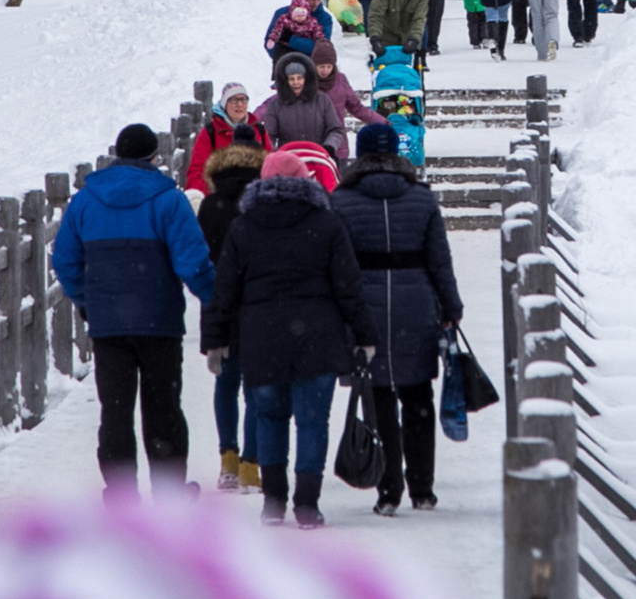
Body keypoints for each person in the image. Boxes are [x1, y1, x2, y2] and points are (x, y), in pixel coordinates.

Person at [201, 151, 378, 528]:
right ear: (306, 180)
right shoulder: (326, 223)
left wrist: (216, 340)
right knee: (313, 421)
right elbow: (349, 286)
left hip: (262, 336)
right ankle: (307, 504)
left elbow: (226, 290)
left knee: (269, 416)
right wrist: (365, 335)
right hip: (318, 334)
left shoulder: (244, 226)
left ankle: (274, 501)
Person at [52, 122, 216, 496]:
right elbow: (193, 264)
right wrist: (217, 299)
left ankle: (121, 495)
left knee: (115, 411)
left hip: (108, 323)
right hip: (159, 321)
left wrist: (86, 300)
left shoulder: (85, 201)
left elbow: (64, 261)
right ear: (153, 157)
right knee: (163, 409)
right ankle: (169, 493)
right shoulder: (169, 200)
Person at [328, 123, 464, 516]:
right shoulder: (421, 199)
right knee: (418, 397)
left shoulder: (343, 200)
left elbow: (338, 266)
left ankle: (389, 490)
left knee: (380, 399)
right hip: (416, 306)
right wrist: (451, 307)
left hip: (365, 308)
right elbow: (440, 260)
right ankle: (423, 488)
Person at [194, 127, 267, 493]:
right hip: (260, 298)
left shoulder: (211, 203)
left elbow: (202, 255)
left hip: (220, 298)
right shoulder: (265, 200)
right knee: (257, 386)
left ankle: (227, 460)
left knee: (226, 380)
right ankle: (252, 464)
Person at [183, 83, 275, 194]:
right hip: (220, 197)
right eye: (234, 100)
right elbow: (197, 171)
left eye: (243, 100)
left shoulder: (258, 129)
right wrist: (208, 196)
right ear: (224, 104)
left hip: (253, 197)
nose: (239, 104)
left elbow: (271, 166)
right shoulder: (211, 131)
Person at [256, 53, 346, 159]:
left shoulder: (322, 100)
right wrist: (272, 153)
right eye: (291, 79)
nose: (296, 82)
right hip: (287, 160)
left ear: (306, 79)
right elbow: (269, 135)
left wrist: (329, 146)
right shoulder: (275, 105)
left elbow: (335, 129)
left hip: (318, 158)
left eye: (299, 78)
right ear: (285, 81)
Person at [311, 40, 386, 159]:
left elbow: (357, 108)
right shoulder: (306, 83)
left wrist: (382, 122)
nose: (325, 70)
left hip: (338, 145)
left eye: (328, 66)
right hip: (312, 144)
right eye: (321, 67)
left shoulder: (340, 80)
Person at [263, 0, 329, 61]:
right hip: (284, 58)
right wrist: (280, 57)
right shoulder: (283, 15)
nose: (316, 3)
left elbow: (321, 46)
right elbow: (270, 40)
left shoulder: (321, 19)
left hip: (308, 61)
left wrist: (291, 40)